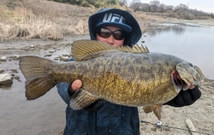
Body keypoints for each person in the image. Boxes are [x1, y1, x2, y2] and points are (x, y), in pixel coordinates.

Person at [57, 8, 201, 135]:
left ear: (125, 39)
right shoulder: (79, 61)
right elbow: (62, 84)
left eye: (118, 34)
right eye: (104, 32)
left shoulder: (138, 61)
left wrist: (165, 98)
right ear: (95, 34)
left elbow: (147, 91)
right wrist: (71, 92)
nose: (110, 40)